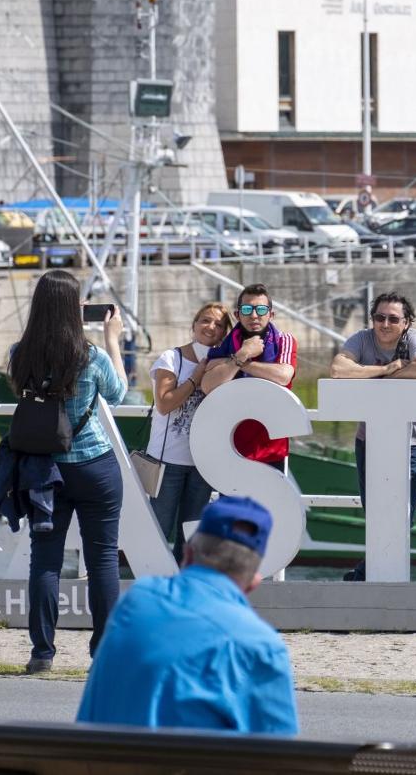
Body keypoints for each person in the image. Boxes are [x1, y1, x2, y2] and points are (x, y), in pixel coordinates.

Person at [76, 496, 298, 735]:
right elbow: (279, 754)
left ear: (188, 554)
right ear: (253, 583)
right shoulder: (261, 647)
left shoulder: (136, 600)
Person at [8, 270, 128, 674]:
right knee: (103, 561)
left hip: (44, 470)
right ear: (74, 307)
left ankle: (42, 653)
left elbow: (18, 389)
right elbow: (117, 393)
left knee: (44, 561)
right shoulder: (90, 356)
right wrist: (113, 339)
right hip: (94, 465)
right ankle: (104, 655)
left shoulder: (19, 353)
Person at [329, 291, 416, 582]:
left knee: (404, 515)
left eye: (393, 319)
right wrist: (386, 370)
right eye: (379, 317)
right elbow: (338, 368)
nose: (385, 324)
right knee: (374, 512)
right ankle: (372, 575)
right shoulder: (361, 339)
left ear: (407, 323)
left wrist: (368, 377)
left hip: (412, 441)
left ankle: (367, 574)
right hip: (369, 440)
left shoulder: (413, 339)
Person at [147, 302, 230, 563]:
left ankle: (183, 592)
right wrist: (195, 378)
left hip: (201, 464)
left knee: (191, 539)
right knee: (158, 531)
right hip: (167, 462)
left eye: (218, 324)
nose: (211, 327)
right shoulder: (171, 358)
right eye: (205, 320)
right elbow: (165, 404)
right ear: (193, 325)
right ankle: (154, 589)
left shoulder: (224, 364)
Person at [201, 284, 298, 472]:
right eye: (247, 309)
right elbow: (207, 385)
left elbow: (283, 376)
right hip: (229, 441)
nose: (254, 315)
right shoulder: (226, 344)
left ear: (271, 314)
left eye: (261, 309)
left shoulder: (283, 340)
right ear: (238, 315)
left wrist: (239, 361)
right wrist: (243, 353)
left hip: (271, 444)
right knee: (232, 501)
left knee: (270, 501)